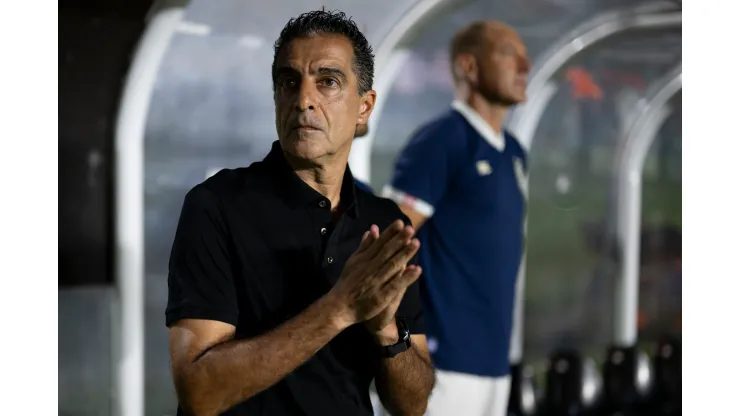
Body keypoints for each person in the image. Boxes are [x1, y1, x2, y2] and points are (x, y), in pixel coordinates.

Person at [166, 9, 435, 416]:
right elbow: (199, 392)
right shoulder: (216, 205)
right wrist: (340, 309)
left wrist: (385, 330)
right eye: (289, 82)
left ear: (364, 107)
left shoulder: (385, 223)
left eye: (327, 81)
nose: (304, 99)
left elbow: (412, 405)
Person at [381, 21, 531, 416]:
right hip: (444, 364)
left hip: (496, 362)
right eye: (507, 53)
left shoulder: (514, 152)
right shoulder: (442, 140)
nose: (525, 65)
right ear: (468, 66)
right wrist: (402, 342)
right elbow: (386, 243)